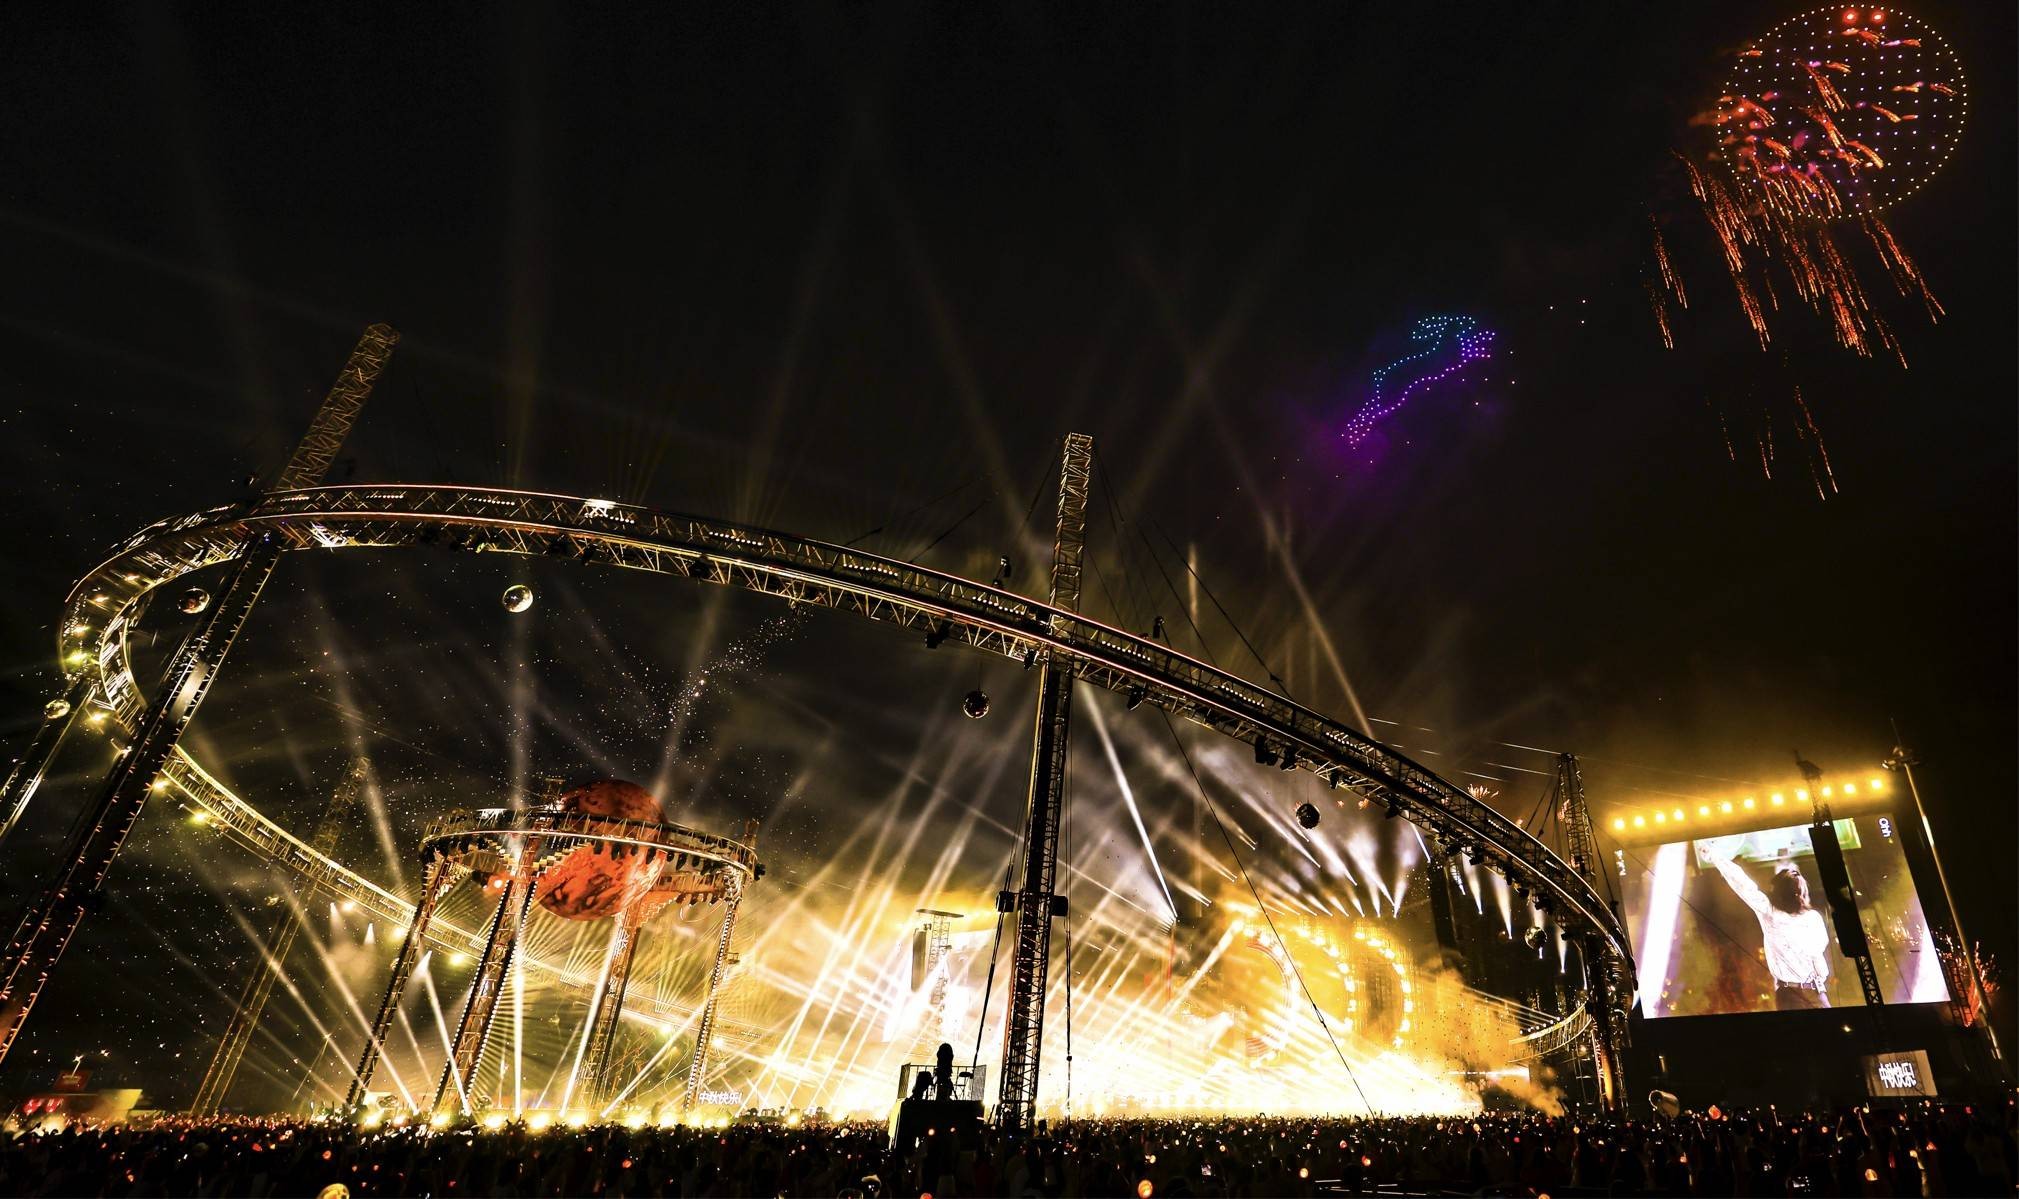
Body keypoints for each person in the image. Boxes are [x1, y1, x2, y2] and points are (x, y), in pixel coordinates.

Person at [1705, 835, 1832, 1009]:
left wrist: (1714, 856)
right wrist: (1715, 857)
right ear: (1801, 893)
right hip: (1802, 994)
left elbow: (1742, 883)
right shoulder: (1793, 915)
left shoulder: (1780, 914)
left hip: (1806, 992)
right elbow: (1741, 883)